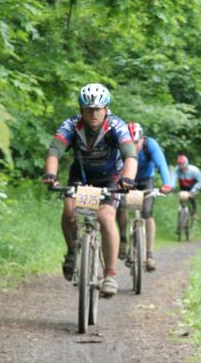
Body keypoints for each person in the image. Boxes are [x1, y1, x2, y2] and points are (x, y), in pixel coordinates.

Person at [43, 83, 137, 297]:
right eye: (88, 109)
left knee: (105, 217)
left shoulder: (116, 125)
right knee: (69, 210)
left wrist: (128, 178)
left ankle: (110, 275)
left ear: (106, 109)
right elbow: (55, 150)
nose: (93, 113)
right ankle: (71, 251)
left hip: (111, 177)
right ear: (81, 109)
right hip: (82, 176)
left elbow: (130, 154)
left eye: (98, 109)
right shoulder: (71, 125)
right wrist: (50, 174)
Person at [117, 122, 172, 271]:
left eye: (136, 143)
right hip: (126, 180)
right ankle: (123, 240)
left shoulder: (150, 145)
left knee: (147, 212)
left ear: (142, 139)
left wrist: (167, 184)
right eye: (130, 143)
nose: (133, 147)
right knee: (121, 206)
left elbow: (162, 165)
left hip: (146, 181)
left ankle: (149, 255)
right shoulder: (120, 147)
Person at [172, 154, 201, 219]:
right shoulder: (177, 170)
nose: (181, 167)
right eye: (180, 164)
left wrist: (194, 190)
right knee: (182, 199)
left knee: (192, 199)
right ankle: (182, 216)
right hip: (183, 187)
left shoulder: (194, 170)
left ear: (186, 163)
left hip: (193, 187)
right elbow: (173, 179)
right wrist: (172, 188)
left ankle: (194, 213)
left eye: (182, 164)